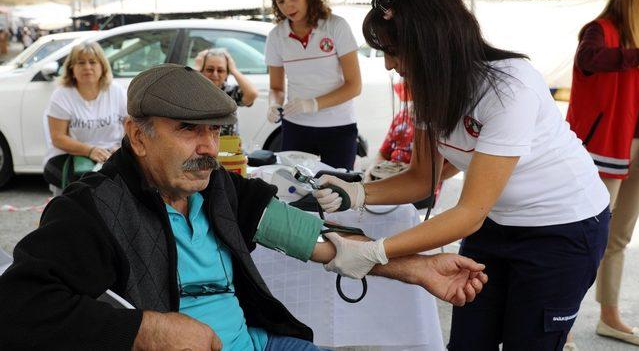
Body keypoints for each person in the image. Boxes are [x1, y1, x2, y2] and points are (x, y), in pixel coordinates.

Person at [0, 64, 488, 350]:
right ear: (137, 136)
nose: (209, 147)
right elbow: (19, 306)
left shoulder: (220, 189)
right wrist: (147, 328)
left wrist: (417, 269)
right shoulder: (93, 210)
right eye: (188, 130)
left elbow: (321, 242)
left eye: (215, 130)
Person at [312, 0, 611, 350]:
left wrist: (374, 252)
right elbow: (422, 179)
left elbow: (468, 212)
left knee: (530, 343)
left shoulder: (509, 87)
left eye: (392, 50)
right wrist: (356, 192)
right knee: (470, 341)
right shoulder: (427, 90)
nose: (388, 64)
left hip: (563, 229)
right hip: (496, 224)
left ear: (431, 42)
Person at [565, 0, 639, 346]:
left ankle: (609, 315)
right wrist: (636, 54)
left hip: (635, 147)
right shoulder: (600, 30)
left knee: (619, 237)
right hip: (605, 146)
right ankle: (561, 321)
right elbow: (588, 61)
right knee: (586, 236)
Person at [265, 0, 362, 170]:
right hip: (295, 126)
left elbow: (354, 85)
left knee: (338, 191)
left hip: (339, 126)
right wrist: (274, 104)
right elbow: (276, 87)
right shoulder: (276, 36)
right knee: (294, 189)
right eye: (280, 1)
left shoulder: (336, 26)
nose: (287, 6)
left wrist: (313, 104)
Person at [43, 42, 127, 189]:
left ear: (102, 66)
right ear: (71, 68)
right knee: (88, 188)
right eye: (81, 63)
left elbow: (131, 127)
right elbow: (58, 138)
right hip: (72, 156)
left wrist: (121, 148)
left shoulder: (117, 91)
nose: (87, 67)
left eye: (93, 62)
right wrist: (90, 151)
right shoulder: (61, 95)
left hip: (112, 155)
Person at [195, 48, 259, 136]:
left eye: (220, 70)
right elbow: (179, 92)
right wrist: (196, 68)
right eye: (210, 70)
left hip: (228, 146)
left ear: (227, 74)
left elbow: (252, 94)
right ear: (201, 71)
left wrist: (234, 70)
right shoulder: (193, 90)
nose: (215, 74)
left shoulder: (230, 92)